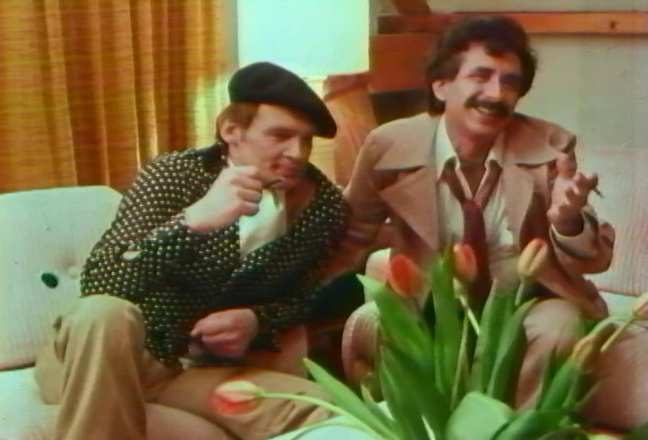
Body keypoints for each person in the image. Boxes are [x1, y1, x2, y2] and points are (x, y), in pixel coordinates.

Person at [33, 62, 350, 440]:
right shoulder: (175, 174)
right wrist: (192, 222)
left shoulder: (322, 205)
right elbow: (101, 281)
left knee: (325, 409)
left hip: (193, 371)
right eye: (280, 135)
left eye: (307, 140)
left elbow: (302, 298)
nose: (297, 152)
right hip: (108, 354)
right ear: (232, 131)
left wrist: (256, 320)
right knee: (104, 312)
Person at [336, 16, 615, 407]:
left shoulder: (550, 146)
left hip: (524, 302)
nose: (496, 94)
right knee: (385, 326)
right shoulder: (388, 145)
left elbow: (594, 261)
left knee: (559, 325)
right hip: (431, 303)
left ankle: (518, 430)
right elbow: (350, 237)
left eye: (510, 83)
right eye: (480, 76)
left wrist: (567, 221)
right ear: (441, 85)